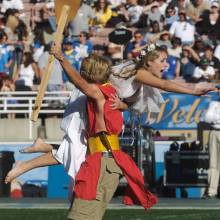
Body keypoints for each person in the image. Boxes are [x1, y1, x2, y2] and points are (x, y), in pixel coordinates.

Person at [203, 90, 220, 198]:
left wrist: (216, 118)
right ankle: (212, 191)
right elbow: (207, 119)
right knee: (213, 163)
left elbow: (212, 118)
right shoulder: (214, 103)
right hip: (215, 132)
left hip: (216, 130)